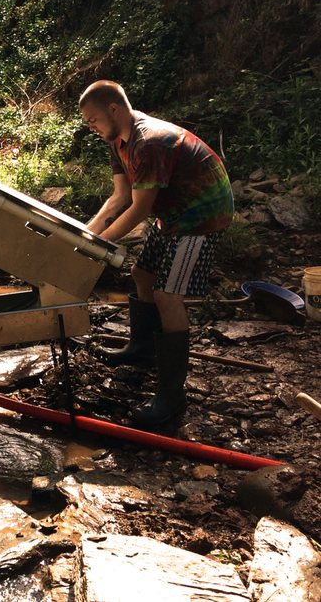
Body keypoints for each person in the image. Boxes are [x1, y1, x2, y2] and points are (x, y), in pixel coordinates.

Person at [79, 80, 233, 426]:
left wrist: (99, 247)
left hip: (202, 216)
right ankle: (143, 349)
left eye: (92, 120)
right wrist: (84, 235)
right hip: (172, 213)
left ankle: (171, 396)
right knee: (142, 275)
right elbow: (118, 198)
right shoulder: (115, 140)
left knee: (167, 295)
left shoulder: (149, 142)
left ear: (113, 110)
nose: (91, 127)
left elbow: (138, 210)